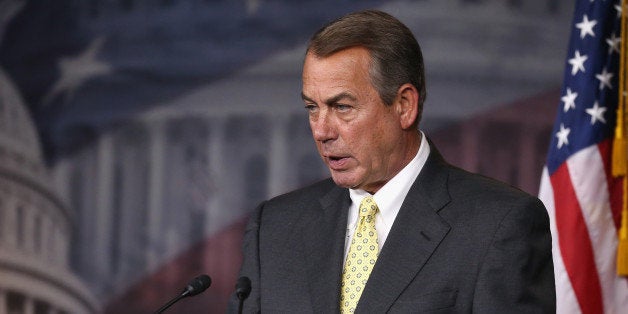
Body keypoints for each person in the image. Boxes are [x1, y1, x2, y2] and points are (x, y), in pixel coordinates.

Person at [228, 9, 555, 313]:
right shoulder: (273, 228)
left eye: (342, 107)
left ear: (404, 106)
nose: (321, 130)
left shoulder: (498, 227)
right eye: (312, 108)